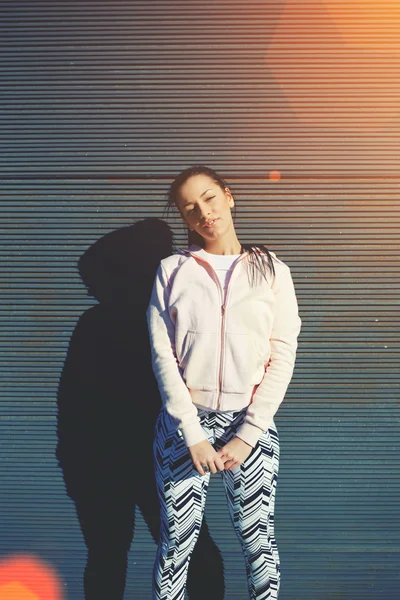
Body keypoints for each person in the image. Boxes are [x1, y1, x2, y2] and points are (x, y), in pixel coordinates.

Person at [146, 165, 302, 600]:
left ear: (228, 197)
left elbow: (283, 354)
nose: (204, 213)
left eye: (210, 198)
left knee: (258, 545)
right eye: (190, 208)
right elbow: (163, 357)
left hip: (249, 427)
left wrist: (249, 434)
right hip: (183, 427)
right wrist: (192, 435)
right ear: (184, 218)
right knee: (177, 545)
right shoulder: (172, 270)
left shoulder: (272, 271)